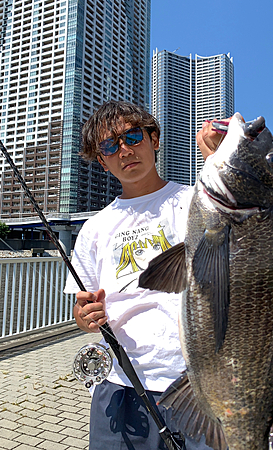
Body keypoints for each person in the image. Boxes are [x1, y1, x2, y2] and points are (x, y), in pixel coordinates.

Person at [64, 101, 226, 450]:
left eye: (132, 136)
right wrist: (84, 318)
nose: (124, 150)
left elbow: (244, 224)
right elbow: (83, 311)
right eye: (110, 146)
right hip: (122, 383)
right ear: (103, 162)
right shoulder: (94, 229)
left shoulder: (198, 200)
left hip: (202, 381)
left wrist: (216, 160)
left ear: (154, 139)